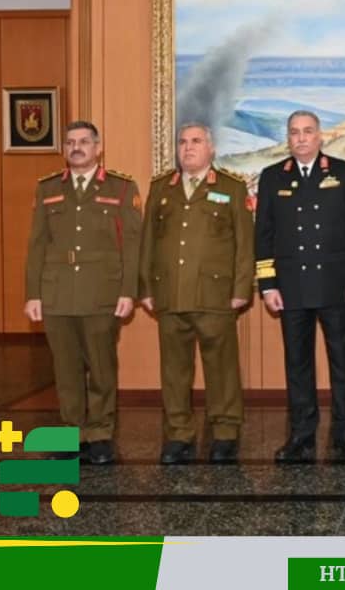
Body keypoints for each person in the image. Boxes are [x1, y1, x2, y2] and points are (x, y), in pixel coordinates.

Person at [254, 110, 345, 464]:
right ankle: (301, 435)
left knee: (342, 363)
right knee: (297, 364)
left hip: (336, 284)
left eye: (307, 131)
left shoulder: (342, 172)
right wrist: (268, 284)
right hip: (291, 287)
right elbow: (264, 235)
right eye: (294, 132)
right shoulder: (273, 176)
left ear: (320, 136)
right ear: (288, 138)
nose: (301, 138)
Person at [23, 120, 141, 465]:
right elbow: (37, 245)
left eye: (84, 141)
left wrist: (128, 291)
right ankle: (71, 434)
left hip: (101, 291)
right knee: (66, 370)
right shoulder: (47, 188)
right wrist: (33, 293)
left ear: (98, 148)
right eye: (71, 142)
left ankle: (100, 435)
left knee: (101, 367)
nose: (76, 147)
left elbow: (132, 244)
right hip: (57, 292)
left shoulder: (121, 187)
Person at [139, 122, 254, 465]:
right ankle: (178, 434)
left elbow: (244, 244)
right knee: (174, 370)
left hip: (215, 294)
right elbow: (148, 242)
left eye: (196, 141)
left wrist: (241, 288)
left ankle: (225, 433)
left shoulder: (232, 188)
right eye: (183, 142)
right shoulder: (162, 188)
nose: (188, 147)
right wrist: (145, 287)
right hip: (170, 293)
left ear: (211, 148)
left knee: (221, 368)